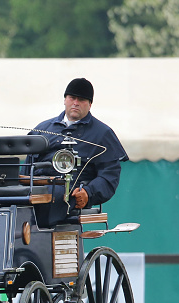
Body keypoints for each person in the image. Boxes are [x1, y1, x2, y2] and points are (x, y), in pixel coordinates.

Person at [29, 78, 128, 226]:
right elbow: (28, 166)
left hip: (69, 195)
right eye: (72, 98)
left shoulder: (103, 134)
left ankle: (38, 233)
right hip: (37, 189)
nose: (75, 103)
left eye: (81, 99)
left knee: (55, 195)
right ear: (65, 100)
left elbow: (109, 175)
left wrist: (89, 192)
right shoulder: (42, 129)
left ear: (89, 104)